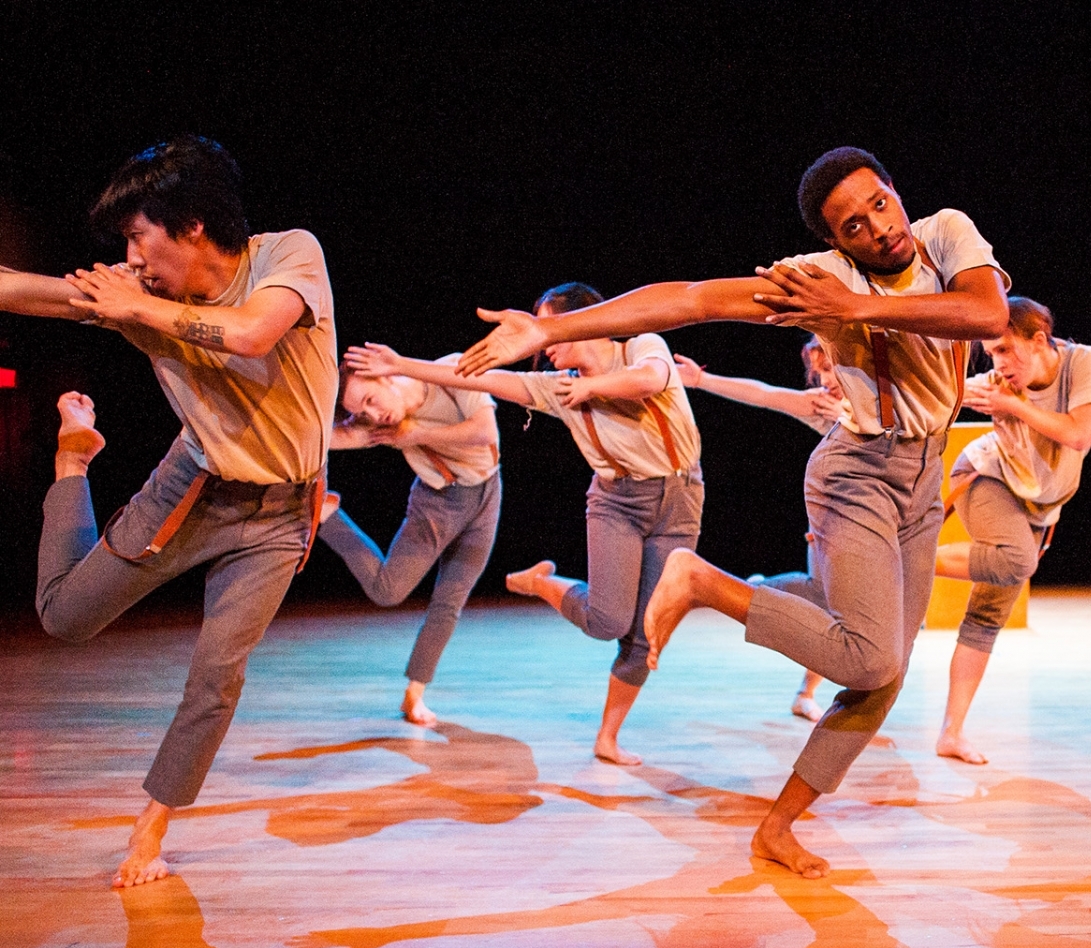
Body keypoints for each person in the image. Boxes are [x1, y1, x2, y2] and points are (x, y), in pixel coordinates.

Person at [454, 147, 1011, 877]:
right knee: (871, 656)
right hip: (858, 474)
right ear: (834, 241)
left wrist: (855, 311)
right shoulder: (818, 281)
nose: (878, 228)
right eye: (853, 225)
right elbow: (691, 299)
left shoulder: (946, 234)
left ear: (895, 192)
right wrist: (554, 331)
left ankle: (777, 827)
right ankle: (700, 582)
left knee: (886, 674)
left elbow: (986, 312)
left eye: (880, 204)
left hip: (923, 476)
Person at [0, 137, 337, 886]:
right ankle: (73, 459)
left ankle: (150, 827)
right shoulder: (136, 293)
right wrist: (129, 303)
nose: (130, 259)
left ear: (191, 224)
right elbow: (24, 290)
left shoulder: (288, 255)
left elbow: (253, 332)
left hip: (281, 513)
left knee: (217, 674)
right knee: (64, 618)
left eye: (137, 236)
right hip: (192, 485)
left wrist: (138, 307)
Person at [346, 282, 702, 765]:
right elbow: (482, 380)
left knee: (648, 633)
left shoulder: (640, 346)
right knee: (607, 623)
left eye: (550, 327)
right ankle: (541, 583)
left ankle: (608, 738)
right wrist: (401, 365)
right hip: (617, 502)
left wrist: (592, 388)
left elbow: (651, 380)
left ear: (586, 319)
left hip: (681, 497)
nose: (544, 341)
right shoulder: (557, 387)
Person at [932, 297, 1091, 764]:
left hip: (1040, 504)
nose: (1000, 364)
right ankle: (909, 559)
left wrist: (1012, 405)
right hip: (984, 476)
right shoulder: (996, 385)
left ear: (1039, 339)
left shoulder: (1082, 362)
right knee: (1015, 561)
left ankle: (951, 733)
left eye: (1007, 350)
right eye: (992, 354)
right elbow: (935, 388)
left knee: (988, 615)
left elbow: (1079, 434)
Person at [321, 352, 502, 726]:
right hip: (437, 503)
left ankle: (415, 695)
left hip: (486, 495)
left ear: (386, 375)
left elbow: (486, 430)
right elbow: (334, 438)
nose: (374, 415)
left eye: (371, 400)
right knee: (387, 591)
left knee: (450, 601)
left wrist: (417, 435)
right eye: (362, 412)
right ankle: (328, 515)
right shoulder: (386, 424)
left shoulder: (450, 372)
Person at [673, 336, 845, 721]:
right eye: (818, 372)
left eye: (829, 369)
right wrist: (702, 380)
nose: (823, 381)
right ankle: (752, 593)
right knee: (829, 605)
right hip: (831, 520)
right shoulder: (822, 406)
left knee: (835, 609)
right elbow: (764, 395)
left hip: (872, 522)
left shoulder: (879, 404)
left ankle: (756, 590)